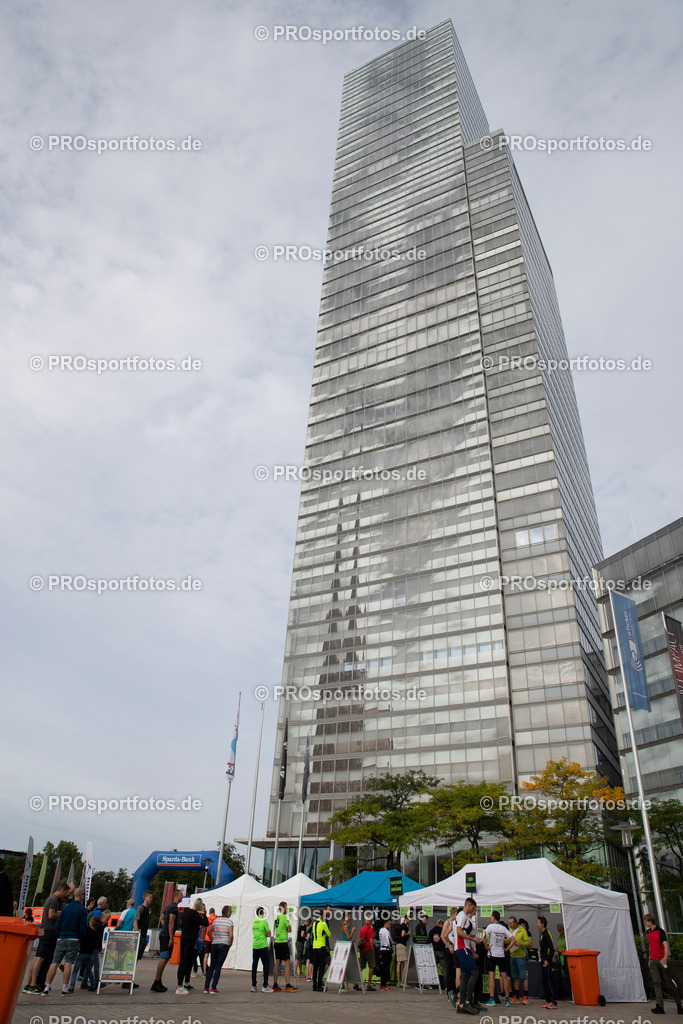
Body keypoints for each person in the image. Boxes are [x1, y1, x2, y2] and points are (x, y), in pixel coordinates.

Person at [24, 882, 69, 993]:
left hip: (46, 930)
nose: (66, 896)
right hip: (49, 931)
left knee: (37, 958)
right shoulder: (54, 900)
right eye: (66, 893)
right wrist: (63, 912)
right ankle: (33, 984)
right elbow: (51, 915)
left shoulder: (50, 899)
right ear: (62, 890)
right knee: (40, 958)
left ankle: (30, 983)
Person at [41, 887, 88, 996]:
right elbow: (82, 926)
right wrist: (80, 939)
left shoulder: (65, 908)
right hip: (74, 938)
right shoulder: (82, 910)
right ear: (80, 895)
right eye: (83, 894)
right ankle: (64, 988)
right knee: (68, 964)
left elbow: (58, 923)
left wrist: (59, 936)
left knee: (55, 962)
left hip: (62, 937)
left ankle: (46, 986)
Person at [644, 912, 683, 1014]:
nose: (645, 923)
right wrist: (649, 959)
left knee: (669, 982)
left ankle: (679, 1004)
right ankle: (660, 1006)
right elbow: (651, 946)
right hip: (653, 959)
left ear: (650, 921)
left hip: (661, 959)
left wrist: (665, 957)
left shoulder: (660, 931)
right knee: (656, 982)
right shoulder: (648, 932)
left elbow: (665, 945)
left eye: (646, 921)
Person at [151, 889, 182, 993]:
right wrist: (171, 937)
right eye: (181, 895)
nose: (182, 897)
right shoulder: (173, 907)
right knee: (164, 958)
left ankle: (158, 981)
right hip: (166, 936)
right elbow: (171, 923)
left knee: (165, 958)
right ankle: (156, 981)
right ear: (177, 896)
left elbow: (162, 918)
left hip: (164, 934)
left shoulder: (169, 906)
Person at [176, 897, 208, 994]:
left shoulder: (187, 913)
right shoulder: (195, 915)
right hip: (190, 939)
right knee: (185, 962)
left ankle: (184, 984)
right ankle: (179, 986)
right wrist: (204, 914)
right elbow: (205, 923)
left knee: (187, 961)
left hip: (184, 937)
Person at [484, 910, 516, 1007]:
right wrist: (507, 949)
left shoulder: (490, 926)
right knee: (504, 977)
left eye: (491, 916)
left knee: (491, 976)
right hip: (501, 954)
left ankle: (492, 998)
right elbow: (513, 940)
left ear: (493, 917)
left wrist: (486, 946)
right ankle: (507, 1000)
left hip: (492, 953)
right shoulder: (503, 928)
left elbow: (483, 936)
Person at [455, 897, 480, 1013]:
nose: (474, 910)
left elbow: (463, 933)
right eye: (473, 908)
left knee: (465, 975)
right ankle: (468, 1001)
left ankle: (461, 1004)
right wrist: (472, 939)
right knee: (474, 973)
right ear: (469, 906)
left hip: (464, 948)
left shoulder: (465, 918)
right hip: (462, 947)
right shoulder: (462, 915)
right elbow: (459, 932)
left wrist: (473, 939)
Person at [204, 905, 234, 994]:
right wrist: (230, 943)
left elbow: (209, 932)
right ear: (228, 913)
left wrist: (213, 939)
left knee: (212, 965)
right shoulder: (229, 922)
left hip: (215, 943)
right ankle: (213, 987)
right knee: (218, 966)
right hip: (224, 944)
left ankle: (206, 987)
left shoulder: (216, 921)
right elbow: (231, 935)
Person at [68, 915, 100, 992]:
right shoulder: (95, 933)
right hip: (90, 953)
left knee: (75, 970)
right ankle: (93, 984)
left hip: (82, 952)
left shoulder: (86, 930)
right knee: (88, 969)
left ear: (91, 922)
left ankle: (72, 986)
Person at [273, 901, 296, 992]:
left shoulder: (276, 917)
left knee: (277, 963)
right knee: (287, 963)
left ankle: (275, 984)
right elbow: (289, 929)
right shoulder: (284, 918)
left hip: (277, 942)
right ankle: (288, 985)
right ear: (283, 908)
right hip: (283, 942)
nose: (287, 909)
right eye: (286, 908)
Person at [508, 915, 530, 1003]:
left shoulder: (522, 931)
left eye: (511, 923)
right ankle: (516, 995)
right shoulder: (510, 931)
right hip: (512, 955)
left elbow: (528, 943)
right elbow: (508, 940)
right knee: (515, 976)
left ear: (515, 923)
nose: (510, 925)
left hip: (520, 956)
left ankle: (525, 996)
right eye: (509, 923)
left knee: (523, 976)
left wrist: (520, 943)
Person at [441, 907, 461, 1006]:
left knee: (454, 971)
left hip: (455, 948)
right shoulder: (448, 923)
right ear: (453, 914)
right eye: (456, 914)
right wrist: (449, 946)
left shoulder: (457, 923)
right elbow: (443, 936)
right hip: (448, 949)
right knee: (450, 970)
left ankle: (455, 991)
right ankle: (449, 991)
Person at [251, 907, 273, 992]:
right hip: (263, 945)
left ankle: (253, 985)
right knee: (266, 965)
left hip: (255, 945)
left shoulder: (254, 922)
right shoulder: (264, 921)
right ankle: (265, 985)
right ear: (263, 912)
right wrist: (266, 933)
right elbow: (268, 933)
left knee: (254, 965)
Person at [538, 916, 557, 1009]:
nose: (537, 924)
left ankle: (553, 1001)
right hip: (543, 959)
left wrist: (548, 959)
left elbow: (551, 948)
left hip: (547, 961)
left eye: (538, 923)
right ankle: (548, 999)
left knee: (549, 980)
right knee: (544, 980)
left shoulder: (547, 934)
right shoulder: (541, 934)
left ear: (543, 924)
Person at [311, 909, 331, 991]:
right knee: (322, 966)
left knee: (315, 966)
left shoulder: (314, 923)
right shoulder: (323, 924)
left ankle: (314, 985)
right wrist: (325, 934)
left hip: (314, 946)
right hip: (321, 946)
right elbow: (329, 934)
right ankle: (319, 984)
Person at [358, 910, 377, 991]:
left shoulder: (362, 928)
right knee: (371, 966)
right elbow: (371, 941)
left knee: (361, 966)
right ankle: (369, 984)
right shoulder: (371, 929)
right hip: (368, 949)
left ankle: (356, 982)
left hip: (362, 949)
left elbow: (360, 939)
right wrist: (373, 950)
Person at [378, 917, 393, 990]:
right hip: (386, 949)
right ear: (386, 923)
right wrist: (390, 947)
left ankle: (382, 983)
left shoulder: (380, 930)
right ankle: (384, 984)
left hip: (382, 949)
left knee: (383, 966)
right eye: (389, 924)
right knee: (386, 968)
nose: (390, 926)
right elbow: (388, 940)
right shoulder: (386, 931)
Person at [202, 907, 217, 975]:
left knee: (206, 956)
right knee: (213, 956)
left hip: (207, 938)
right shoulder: (216, 919)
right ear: (214, 912)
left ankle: (204, 972)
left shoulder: (207, 919)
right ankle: (212, 971)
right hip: (213, 938)